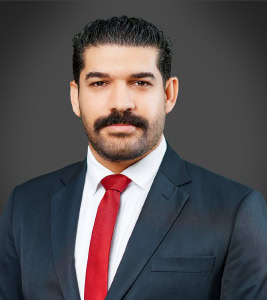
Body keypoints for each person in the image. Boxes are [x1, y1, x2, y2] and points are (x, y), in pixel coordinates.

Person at [0, 15, 266, 300]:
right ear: (75, 97)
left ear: (168, 93)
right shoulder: (24, 206)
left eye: (139, 82)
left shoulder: (236, 211)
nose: (121, 103)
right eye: (100, 83)